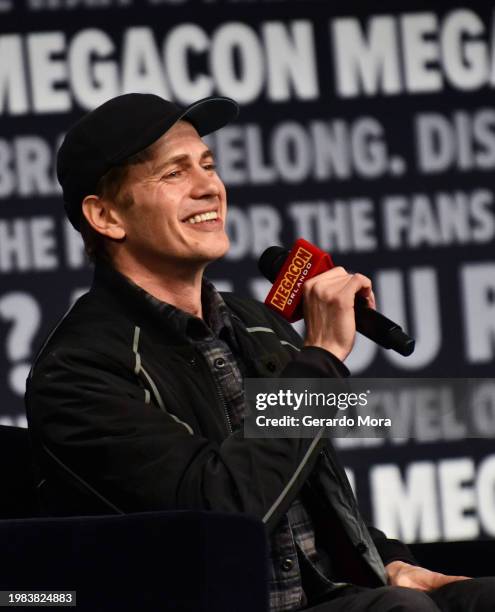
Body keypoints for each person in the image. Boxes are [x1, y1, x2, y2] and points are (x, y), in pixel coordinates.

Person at [25, 93, 494, 611]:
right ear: (107, 216)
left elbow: (305, 489)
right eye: (174, 174)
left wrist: (388, 561)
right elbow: (226, 513)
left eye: (208, 164)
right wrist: (320, 358)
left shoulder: (258, 325)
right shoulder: (77, 371)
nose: (210, 187)